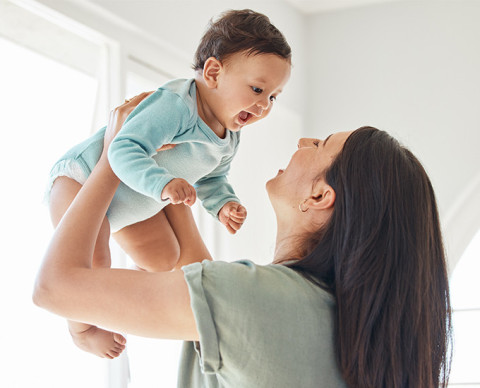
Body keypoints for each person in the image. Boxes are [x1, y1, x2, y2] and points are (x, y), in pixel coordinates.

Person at [34, 94, 452, 388]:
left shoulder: (256, 297)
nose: (304, 141)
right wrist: (170, 170)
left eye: (321, 144)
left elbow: (55, 288)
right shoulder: (334, 317)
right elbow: (194, 272)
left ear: (320, 196)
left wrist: (113, 153)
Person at [44, 9, 291, 358]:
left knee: (164, 258)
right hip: (81, 180)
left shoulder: (229, 136)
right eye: (257, 89)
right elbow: (124, 147)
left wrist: (223, 204)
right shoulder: (177, 105)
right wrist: (163, 185)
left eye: (273, 97)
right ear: (214, 72)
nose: (264, 105)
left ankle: (126, 291)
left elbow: (213, 177)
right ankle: (80, 330)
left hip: (132, 199)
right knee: (94, 266)